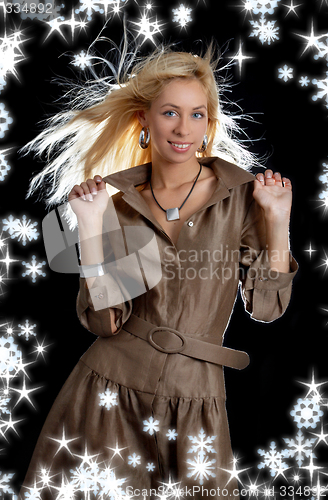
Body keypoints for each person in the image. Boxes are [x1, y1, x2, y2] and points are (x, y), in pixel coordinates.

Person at [18, 43, 298, 499]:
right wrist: (90, 229)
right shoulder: (117, 204)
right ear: (144, 120)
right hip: (107, 393)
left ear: (209, 124)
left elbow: (266, 309)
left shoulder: (243, 198)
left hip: (197, 401)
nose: (183, 128)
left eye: (197, 114)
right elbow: (105, 321)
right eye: (170, 113)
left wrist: (278, 219)